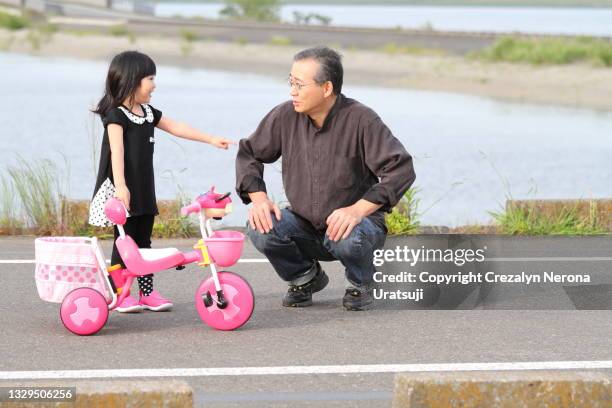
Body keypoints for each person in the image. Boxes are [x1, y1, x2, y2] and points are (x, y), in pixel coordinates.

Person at [236, 46, 416, 311]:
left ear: (327, 88)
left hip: (356, 228)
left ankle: (362, 282)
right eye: (290, 82)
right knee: (260, 226)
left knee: (348, 235)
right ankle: (305, 277)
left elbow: (401, 169)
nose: (292, 92)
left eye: (299, 85)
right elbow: (249, 153)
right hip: (303, 224)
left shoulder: (361, 119)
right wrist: (259, 199)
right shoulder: (285, 115)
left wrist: (357, 211)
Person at [90, 50, 233, 313]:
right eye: (150, 79)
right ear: (133, 80)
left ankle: (147, 293)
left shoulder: (146, 112)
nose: (154, 85)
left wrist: (210, 139)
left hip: (144, 189)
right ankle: (120, 291)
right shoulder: (116, 116)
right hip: (123, 191)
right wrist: (121, 187)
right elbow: (117, 152)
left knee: (143, 242)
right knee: (124, 243)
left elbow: (176, 127)